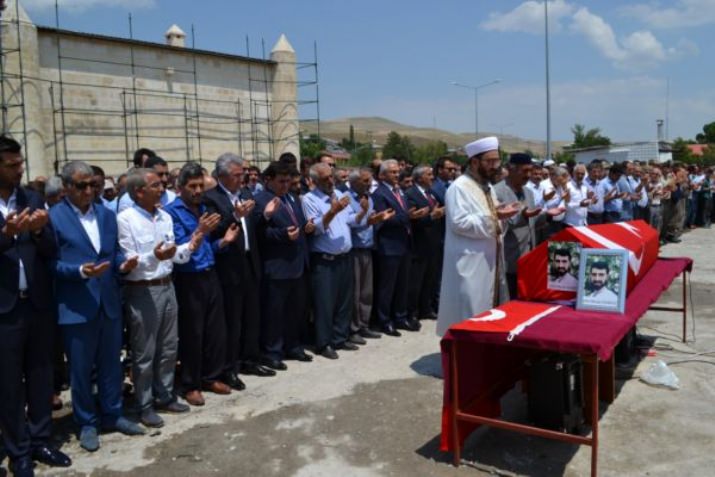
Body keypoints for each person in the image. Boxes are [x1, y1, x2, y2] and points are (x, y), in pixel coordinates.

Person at [50, 161, 145, 452]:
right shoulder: (53, 218)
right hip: (77, 306)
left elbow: (112, 253)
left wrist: (122, 264)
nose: (89, 190)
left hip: (108, 302)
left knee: (110, 365)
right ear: (66, 188)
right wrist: (79, 272)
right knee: (80, 370)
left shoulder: (105, 214)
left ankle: (112, 414)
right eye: (81, 186)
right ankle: (86, 422)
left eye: (93, 184)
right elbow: (49, 264)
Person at [0, 136, 71, 476]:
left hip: (38, 305)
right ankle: (18, 451)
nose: (20, 169)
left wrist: (41, 232)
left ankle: (41, 438)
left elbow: (52, 249)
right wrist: (6, 235)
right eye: (11, 165)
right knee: (10, 383)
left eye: (20, 162)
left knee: (41, 375)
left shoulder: (32, 197)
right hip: (5, 310)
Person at [117, 168, 198, 428]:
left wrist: (194, 241)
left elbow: (173, 252)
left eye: (162, 184)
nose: (162, 188)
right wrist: (156, 257)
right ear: (139, 191)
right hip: (143, 289)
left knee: (169, 346)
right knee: (145, 352)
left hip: (167, 285)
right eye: (155, 185)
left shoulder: (164, 216)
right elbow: (131, 259)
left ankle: (165, 394)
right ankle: (144, 404)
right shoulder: (126, 219)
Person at [166, 162, 241, 406]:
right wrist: (199, 231)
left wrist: (224, 241)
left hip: (210, 273)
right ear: (180, 187)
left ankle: (212, 376)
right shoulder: (172, 212)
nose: (198, 191)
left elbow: (208, 246)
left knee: (215, 331)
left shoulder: (204, 208)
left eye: (200, 186)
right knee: (193, 333)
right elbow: (180, 247)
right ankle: (191, 384)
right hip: (188, 278)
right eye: (192, 186)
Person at [203, 153, 275, 388]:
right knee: (232, 320)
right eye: (237, 175)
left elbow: (252, 225)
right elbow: (214, 230)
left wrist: (264, 215)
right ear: (222, 175)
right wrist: (235, 215)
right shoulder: (212, 198)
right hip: (228, 266)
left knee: (251, 316)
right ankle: (229, 367)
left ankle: (250, 359)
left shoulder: (245, 193)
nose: (241, 178)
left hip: (249, 262)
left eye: (242, 174)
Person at [436, 137, 518, 336]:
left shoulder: (487, 187)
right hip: (469, 262)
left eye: (496, 161)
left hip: (489, 260)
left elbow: (490, 216)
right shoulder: (459, 188)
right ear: (474, 162)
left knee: (491, 311)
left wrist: (502, 214)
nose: (495, 166)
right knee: (470, 312)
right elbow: (459, 222)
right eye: (489, 162)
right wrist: (494, 216)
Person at [253, 161, 313, 369]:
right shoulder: (261, 200)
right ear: (268, 180)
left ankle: (293, 346)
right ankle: (272, 351)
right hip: (276, 266)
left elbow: (300, 224)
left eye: (288, 181)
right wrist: (282, 235)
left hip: (297, 264)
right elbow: (258, 233)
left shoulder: (293, 198)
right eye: (281, 181)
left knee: (294, 310)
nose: (285, 185)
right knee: (275, 312)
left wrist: (307, 226)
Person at [302, 163, 356, 359]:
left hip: (344, 256)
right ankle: (323, 343)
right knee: (325, 303)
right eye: (325, 179)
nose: (331, 181)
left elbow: (350, 220)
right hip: (324, 259)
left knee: (344, 300)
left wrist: (365, 215)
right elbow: (315, 227)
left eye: (332, 177)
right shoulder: (310, 199)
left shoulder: (340, 195)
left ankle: (340, 337)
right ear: (315, 182)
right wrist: (332, 211)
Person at [372, 159, 421, 336]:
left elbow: (403, 214)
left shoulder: (399, 191)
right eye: (392, 172)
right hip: (389, 245)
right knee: (387, 286)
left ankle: (400, 317)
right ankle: (384, 320)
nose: (396, 174)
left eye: (397, 171)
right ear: (382, 175)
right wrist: (407, 217)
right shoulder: (379, 193)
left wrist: (411, 215)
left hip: (405, 243)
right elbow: (384, 218)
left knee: (402, 284)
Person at [344, 168, 392, 343]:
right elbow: (349, 222)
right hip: (354, 250)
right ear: (354, 182)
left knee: (366, 291)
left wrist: (378, 218)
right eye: (365, 181)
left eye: (369, 181)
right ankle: (353, 328)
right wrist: (366, 216)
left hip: (367, 247)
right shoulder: (347, 199)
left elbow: (371, 221)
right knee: (355, 292)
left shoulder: (368, 198)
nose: (369, 184)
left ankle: (364, 325)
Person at [493, 153, 544, 298]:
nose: (528, 175)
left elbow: (532, 220)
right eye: (525, 171)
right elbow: (502, 223)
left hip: (527, 256)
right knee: (508, 302)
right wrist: (523, 215)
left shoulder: (528, 192)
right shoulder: (497, 192)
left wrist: (548, 215)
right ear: (511, 169)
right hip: (509, 258)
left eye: (530, 170)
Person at [405, 165, 444, 321]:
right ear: (420, 178)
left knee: (430, 279)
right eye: (429, 174)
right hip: (419, 244)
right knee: (416, 282)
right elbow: (413, 221)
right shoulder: (410, 194)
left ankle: (426, 309)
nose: (432, 177)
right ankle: (412, 312)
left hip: (433, 243)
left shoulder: (432, 193)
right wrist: (432, 216)